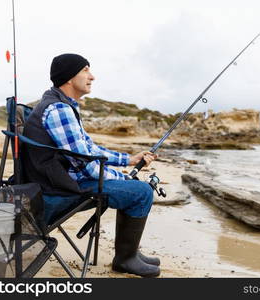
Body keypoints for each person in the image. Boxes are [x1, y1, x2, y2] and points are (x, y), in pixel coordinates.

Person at [22, 53, 160, 277]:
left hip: (55, 182)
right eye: (85, 70)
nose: (92, 76)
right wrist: (124, 177)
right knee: (141, 191)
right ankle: (125, 259)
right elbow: (86, 165)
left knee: (133, 188)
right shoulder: (59, 110)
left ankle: (129, 252)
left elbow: (89, 150)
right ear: (68, 77)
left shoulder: (63, 105)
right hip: (55, 191)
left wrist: (128, 160)